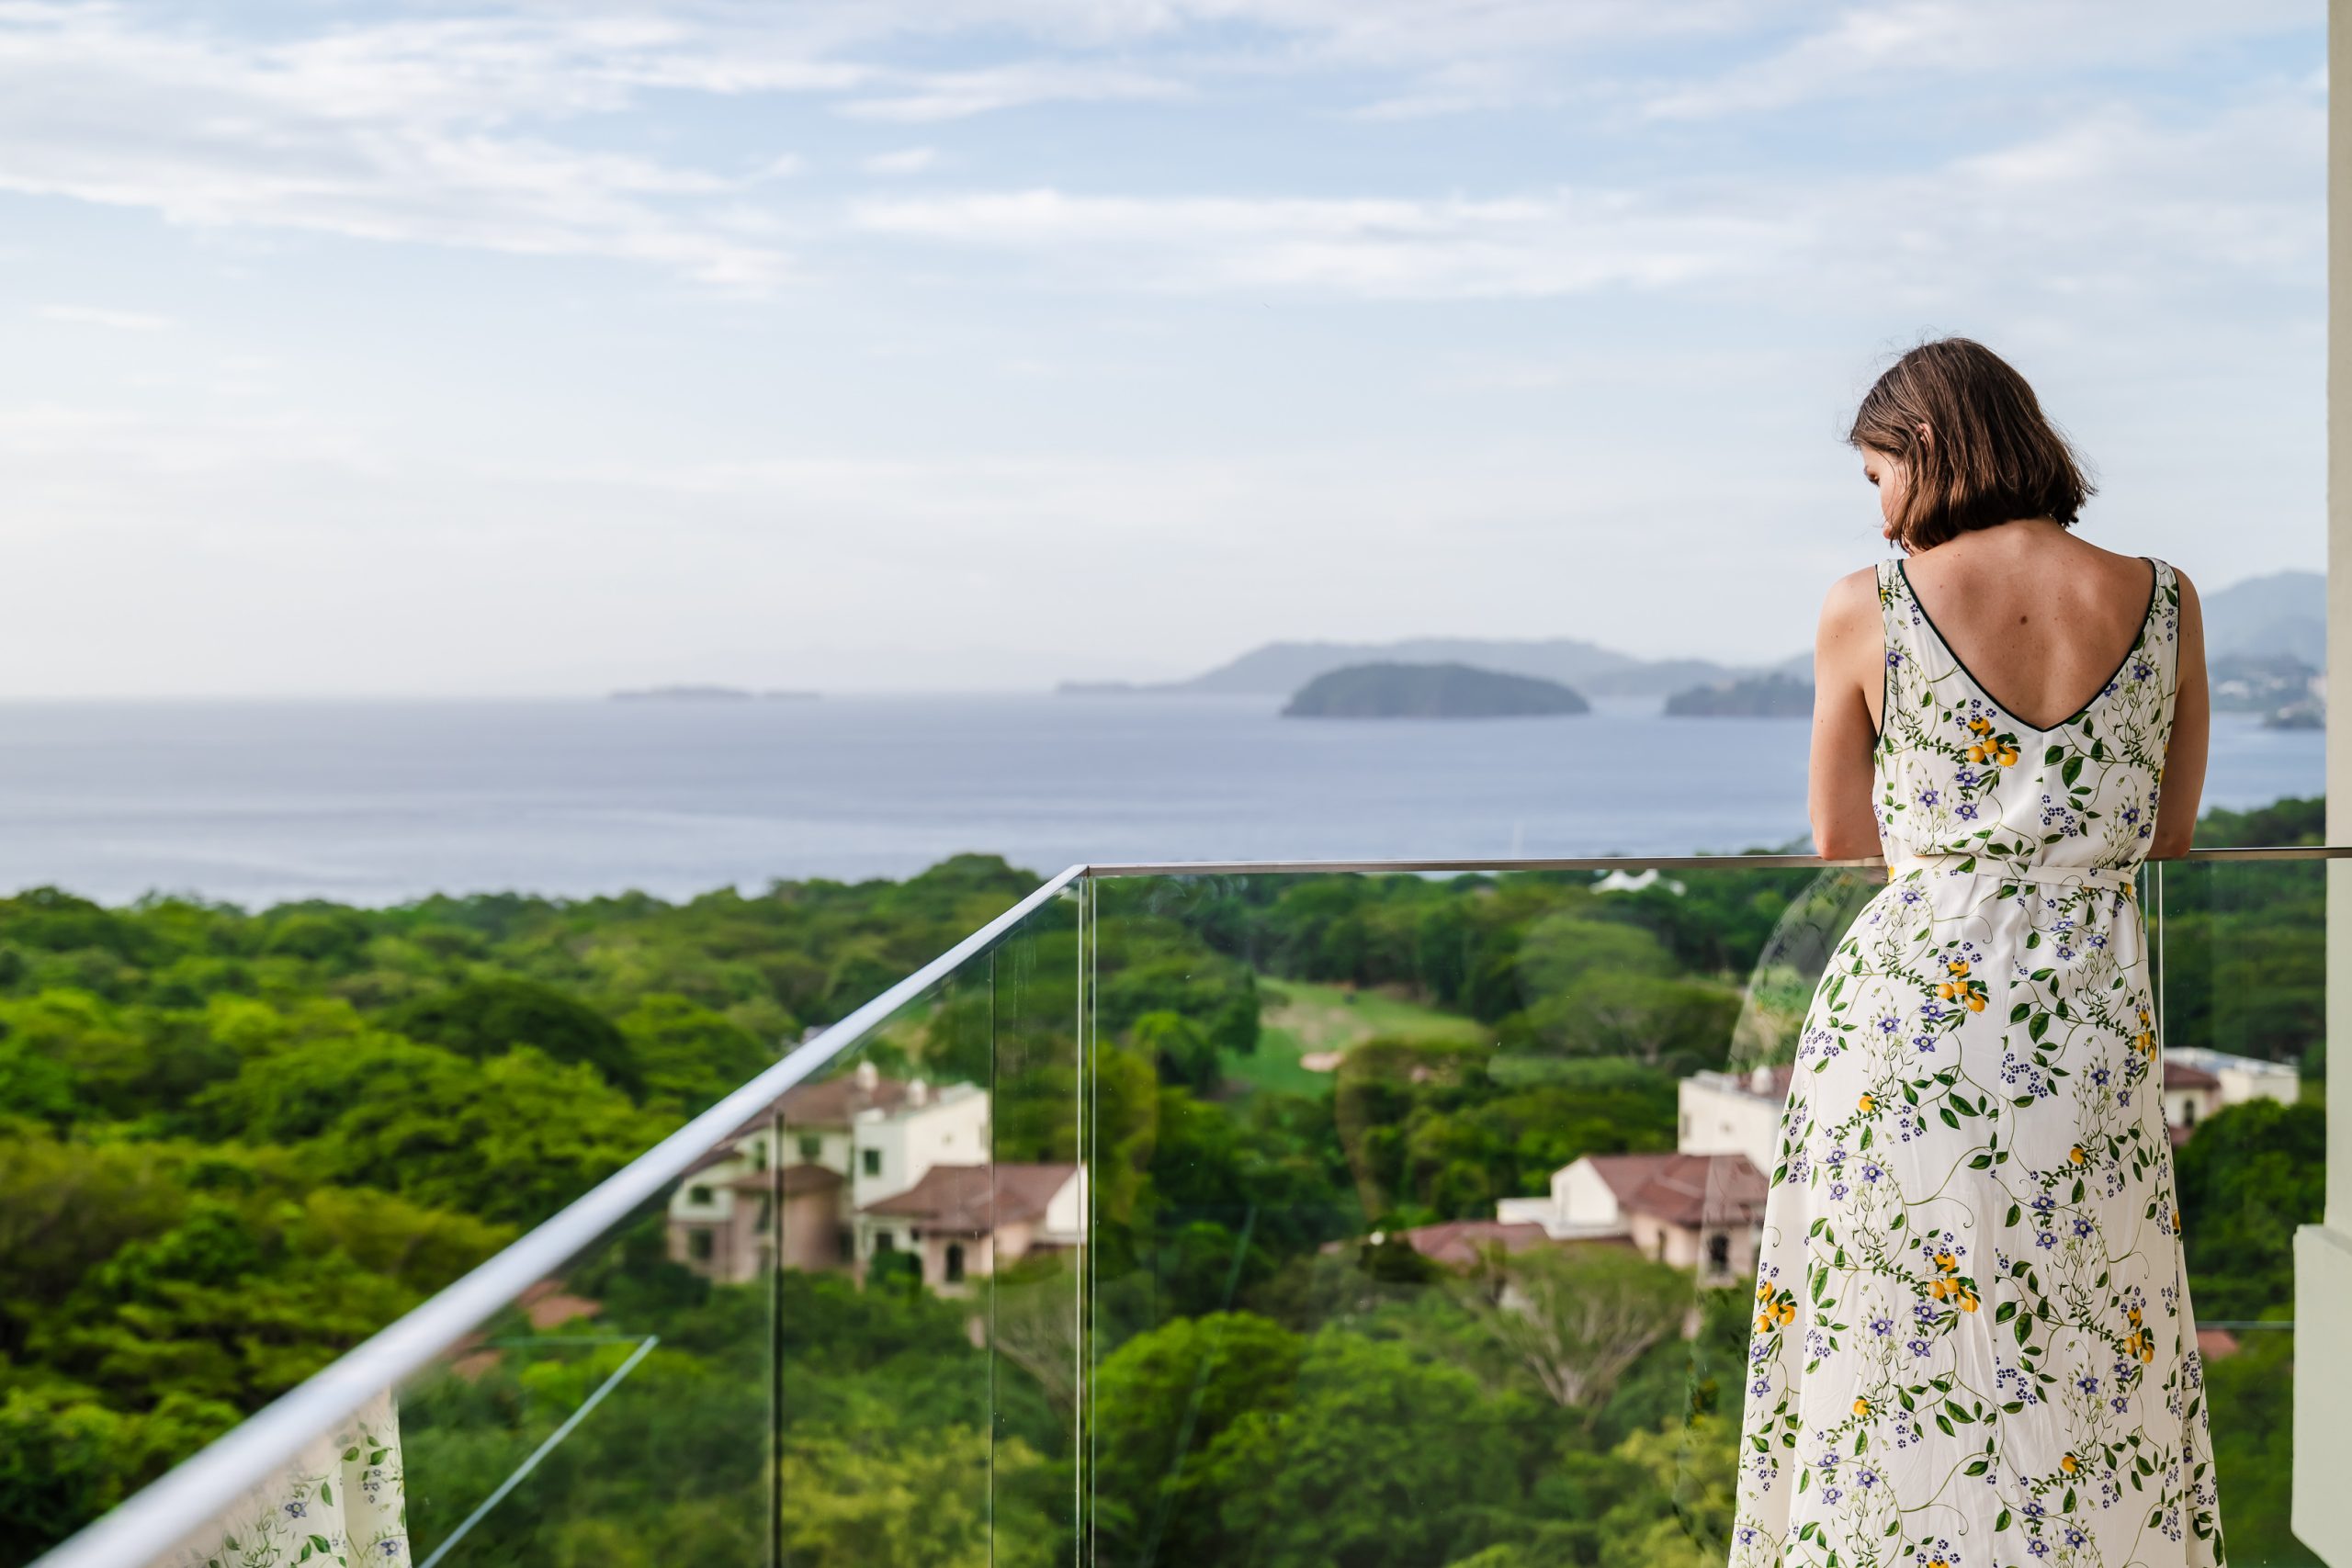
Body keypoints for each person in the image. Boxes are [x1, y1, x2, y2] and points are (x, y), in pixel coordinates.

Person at [1730, 339, 2222, 1568]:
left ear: (1926, 448)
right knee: (2088, 1336)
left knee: (1897, 1346)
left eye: (1877, 476)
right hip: (2090, 1017)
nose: (1880, 512)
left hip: (1913, 1013)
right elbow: (2166, 835)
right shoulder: (2165, 599)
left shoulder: (1870, 603)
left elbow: (1841, 839)